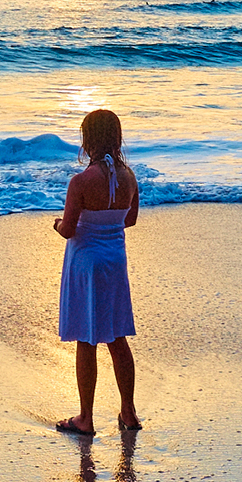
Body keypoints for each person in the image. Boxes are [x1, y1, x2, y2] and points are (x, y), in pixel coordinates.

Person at [53, 108, 142, 436]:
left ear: (87, 139)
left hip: (87, 263)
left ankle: (86, 418)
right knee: (118, 337)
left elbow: (68, 229)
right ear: (117, 138)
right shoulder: (129, 178)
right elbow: (128, 220)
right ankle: (129, 412)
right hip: (115, 262)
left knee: (86, 338)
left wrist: (56, 224)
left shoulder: (80, 181)